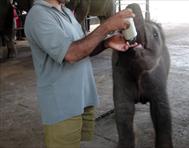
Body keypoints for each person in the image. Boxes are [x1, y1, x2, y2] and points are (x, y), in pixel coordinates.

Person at [24, 0, 136, 148]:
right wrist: (107, 26)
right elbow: (71, 53)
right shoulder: (38, 15)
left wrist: (106, 43)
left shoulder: (67, 12)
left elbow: (83, 46)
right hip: (62, 106)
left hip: (81, 98)